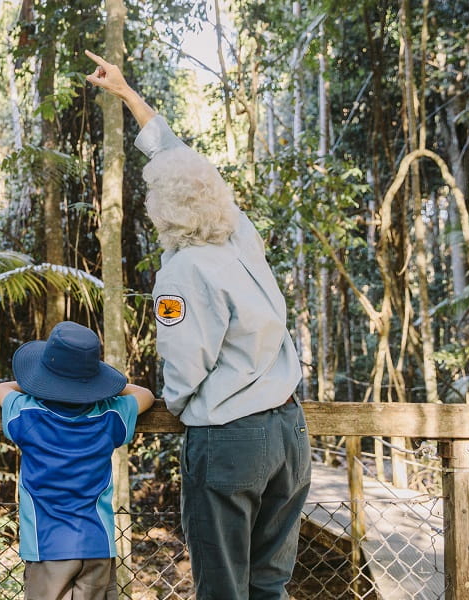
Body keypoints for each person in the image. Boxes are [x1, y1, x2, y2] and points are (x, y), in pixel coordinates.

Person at [85, 50, 312, 600]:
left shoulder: (182, 272)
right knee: (269, 584)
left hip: (232, 438)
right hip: (290, 433)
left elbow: (185, 363)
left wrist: (184, 406)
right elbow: (182, 162)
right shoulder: (243, 238)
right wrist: (128, 95)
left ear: (161, 211)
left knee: (221, 587)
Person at [0, 321, 155, 600]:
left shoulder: (27, 415)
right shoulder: (109, 416)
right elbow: (146, 395)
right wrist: (104, 387)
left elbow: (1, 388)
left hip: (47, 548)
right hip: (97, 545)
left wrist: (33, 382)